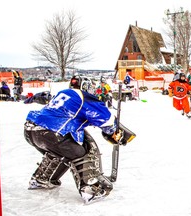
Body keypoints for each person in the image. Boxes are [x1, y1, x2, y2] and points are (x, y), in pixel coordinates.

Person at [24, 76, 136, 204]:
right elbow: (106, 121)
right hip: (52, 132)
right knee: (82, 151)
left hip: (31, 129)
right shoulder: (85, 97)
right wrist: (117, 133)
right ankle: (90, 190)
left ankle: (42, 178)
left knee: (62, 152)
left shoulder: (64, 93)